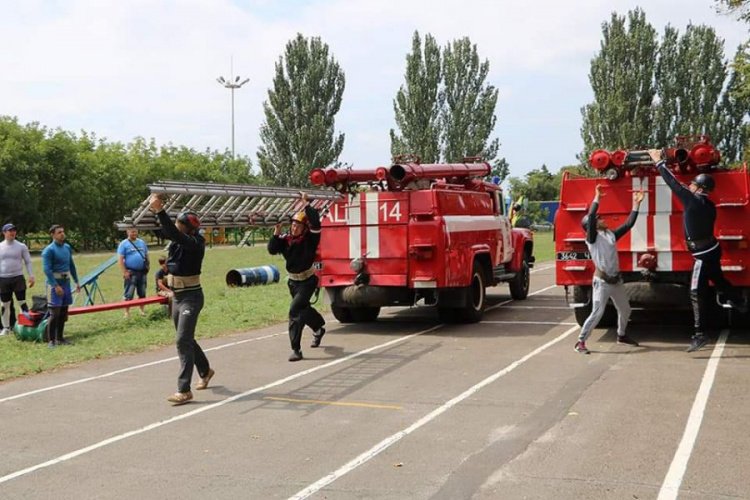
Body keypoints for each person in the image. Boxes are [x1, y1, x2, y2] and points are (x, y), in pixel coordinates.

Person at [649, 149, 748, 352]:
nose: (690, 185)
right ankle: (739, 303)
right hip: (712, 250)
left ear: (699, 187)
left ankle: (699, 334)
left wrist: (659, 162)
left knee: (696, 291)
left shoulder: (692, 201)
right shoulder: (708, 204)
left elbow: (674, 184)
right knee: (719, 280)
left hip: (702, 255)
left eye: (693, 184)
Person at [149, 194, 213, 405]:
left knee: (182, 340)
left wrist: (160, 211)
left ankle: (184, 389)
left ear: (187, 228)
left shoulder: (194, 242)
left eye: (179, 224)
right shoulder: (179, 240)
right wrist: (155, 210)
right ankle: (205, 370)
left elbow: (172, 232)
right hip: (177, 297)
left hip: (191, 298)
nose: (175, 227)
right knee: (186, 338)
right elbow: (167, 231)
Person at [574, 185, 645, 354]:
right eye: (599, 219)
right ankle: (580, 342)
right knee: (597, 313)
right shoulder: (592, 238)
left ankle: (621, 335)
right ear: (593, 225)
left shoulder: (610, 234)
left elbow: (628, 224)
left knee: (625, 310)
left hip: (616, 280)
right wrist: (597, 197)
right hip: (603, 281)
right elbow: (590, 216)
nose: (602, 219)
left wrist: (637, 204)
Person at [267, 192, 326, 362]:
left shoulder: (310, 239)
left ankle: (296, 349)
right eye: (293, 225)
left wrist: (306, 204)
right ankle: (319, 327)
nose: (294, 228)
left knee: (294, 311)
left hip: (308, 281)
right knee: (303, 309)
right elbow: (272, 249)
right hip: (293, 282)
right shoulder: (286, 240)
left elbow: (316, 221)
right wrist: (276, 234)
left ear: (305, 228)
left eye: (298, 226)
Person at [42, 225, 81, 348]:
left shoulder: (67, 248)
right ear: (52, 235)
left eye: (63, 231)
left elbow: (71, 265)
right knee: (55, 313)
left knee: (64, 312)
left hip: (66, 282)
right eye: (59, 232)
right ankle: (51, 341)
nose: (62, 234)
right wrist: (55, 285)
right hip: (54, 284)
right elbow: (47, 270)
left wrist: (76, 281)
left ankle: (60, 338)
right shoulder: (49, 250)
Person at [0, 223, 35, 336]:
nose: (12, 232)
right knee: (5, 304)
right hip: (3, 279)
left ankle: (25, 324)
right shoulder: (0, 246)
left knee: (22, 302)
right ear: (4, 232)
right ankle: (6, 328)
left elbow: (28, 261)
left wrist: (31, 275)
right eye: (10, 231)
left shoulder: (21, 246)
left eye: (14, 230)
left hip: (18, 278)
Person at [117, 227, 150, 318]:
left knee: (142, 292)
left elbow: (146, 255)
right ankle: (127, 312)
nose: (134, 233)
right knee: (129, 293)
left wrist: (147, 266)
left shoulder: (142, 243)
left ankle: (142, 311)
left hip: (142, 271)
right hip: (130, 272)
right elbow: (120, 259)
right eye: (132, 232)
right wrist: (125, 272)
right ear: (127, 232)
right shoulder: (124, 244)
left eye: (135, 231)